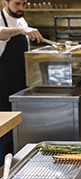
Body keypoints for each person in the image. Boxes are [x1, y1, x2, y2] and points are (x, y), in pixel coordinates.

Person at [0, 0, 43, 165]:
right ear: (5, 3)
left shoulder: (21, 20)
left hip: (19, 89)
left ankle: (14, 173)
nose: (21, 8)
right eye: (17, 4)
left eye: (24, 4)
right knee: (4, 139)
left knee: (17, 138)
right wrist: (21, 30)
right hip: (2, 91)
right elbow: (2, 33)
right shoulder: (5, 22)